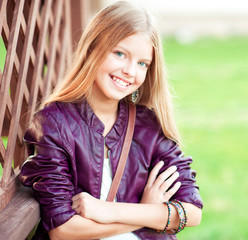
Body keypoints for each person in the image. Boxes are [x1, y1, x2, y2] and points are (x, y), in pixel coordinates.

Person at [19, 1, 202, 239]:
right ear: (93, 48)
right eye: (119, 54)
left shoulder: (149, 126)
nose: (130, 70)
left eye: (142, 63)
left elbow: (192, 212)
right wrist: (149, 215)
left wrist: (106, 211)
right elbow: (63, 230)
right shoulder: (54, 124)